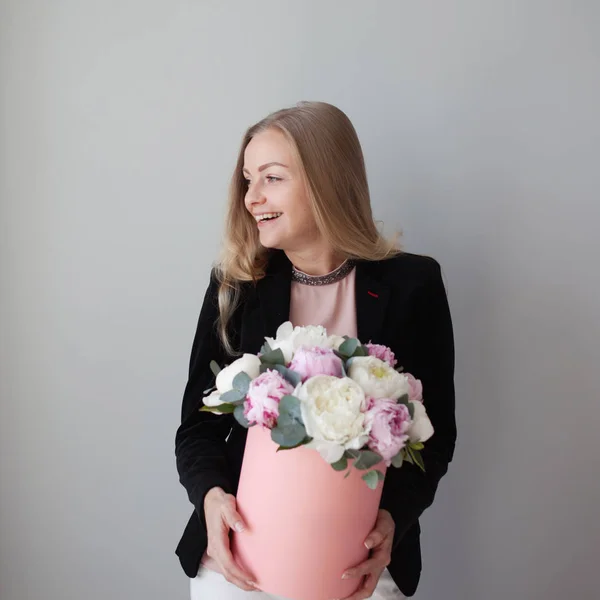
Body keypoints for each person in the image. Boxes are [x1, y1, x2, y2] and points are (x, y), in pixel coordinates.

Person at [175, 101, 456, 599]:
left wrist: (393, 519)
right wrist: (212, 499)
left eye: (272, 178)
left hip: (359, 566)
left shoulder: (414, 283)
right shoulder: (237, 286)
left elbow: (433, 437)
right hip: (241, 561)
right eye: (247, 179)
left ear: (325, 179)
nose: (251, 198)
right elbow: (198, 428)